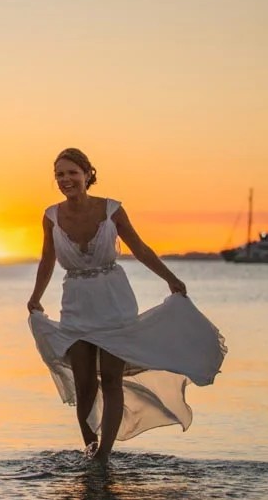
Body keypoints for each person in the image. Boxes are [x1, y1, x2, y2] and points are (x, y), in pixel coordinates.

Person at [27, 148, 225, 463]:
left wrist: (171, 279)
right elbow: (47, 259)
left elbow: (141, 249)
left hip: (114, 301)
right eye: (60, 175)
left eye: (72, 173)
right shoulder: (51, 216)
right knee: (85, 382)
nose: (66, 180)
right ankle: (90, 446)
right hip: (76, 303)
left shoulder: (112, 210)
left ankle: (104, 454)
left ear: (87, 174)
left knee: (111, 376)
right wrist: (36, 296)